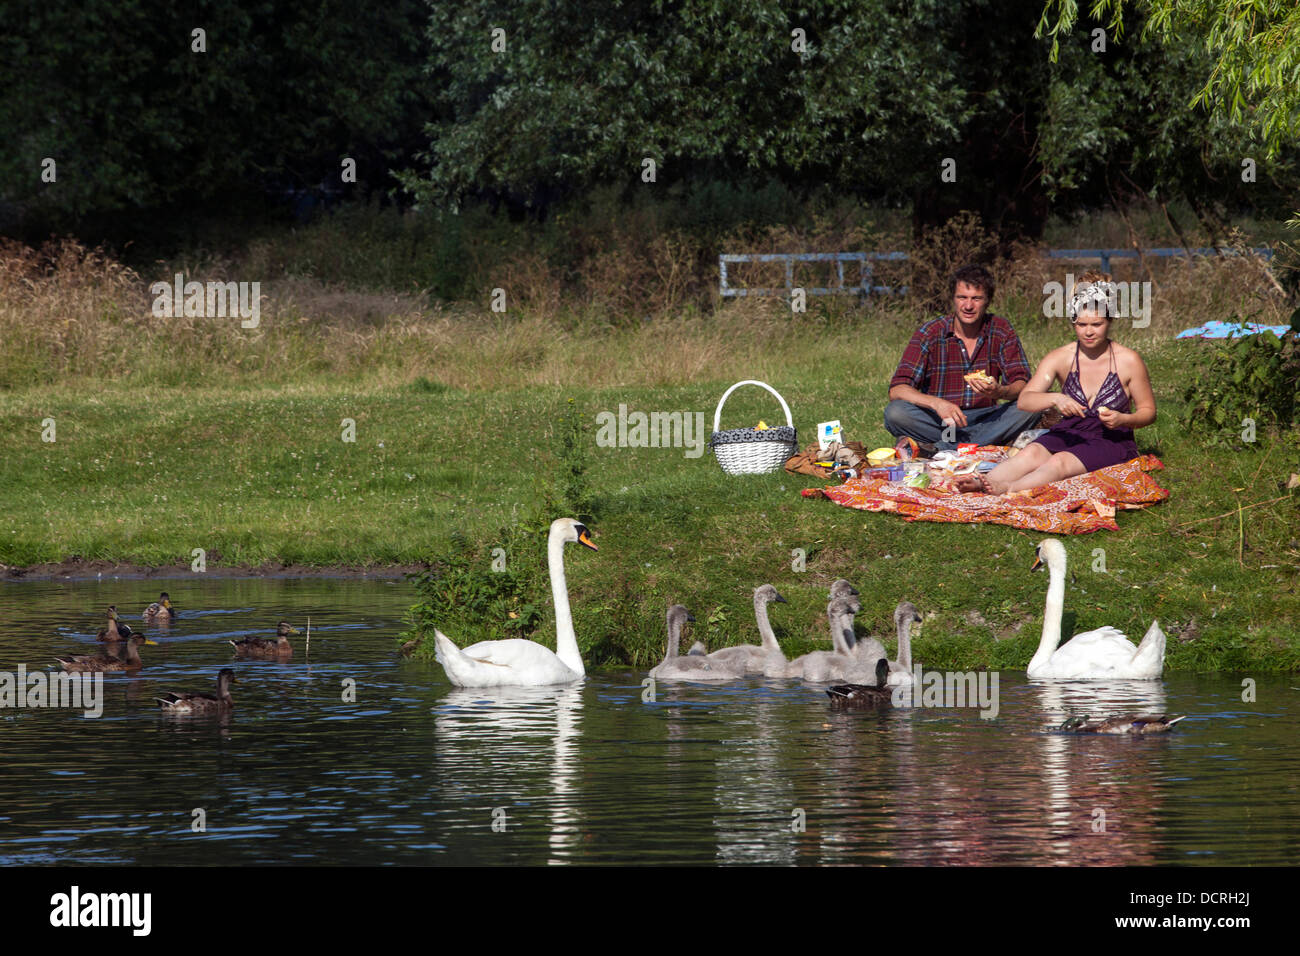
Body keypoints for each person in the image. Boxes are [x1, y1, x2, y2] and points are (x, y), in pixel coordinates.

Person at [955, 273, 1156, 494]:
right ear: (1073, 323)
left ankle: (1008, 488)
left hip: (1110, 438)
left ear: (1109, 322)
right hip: (1069, 431)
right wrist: (1055, 398)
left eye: (1096, 324)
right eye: (1081, 324)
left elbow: (1148, 411)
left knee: (1059, 462)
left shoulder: (1128, 360)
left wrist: (1124, 419)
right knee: (1031, 453)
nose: (1088, 331)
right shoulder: (1061, 357)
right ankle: (982, 481)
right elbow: (1025, 400)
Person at [884, 265, 1041, 449]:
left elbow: (1022, 383)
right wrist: (937, 404)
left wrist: (1000, 391)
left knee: (1033, 408)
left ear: (987, 301)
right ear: (953, 299)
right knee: (895, 413)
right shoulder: (930, 333)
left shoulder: (1001, 330)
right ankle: (976, 444)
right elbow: (898, 389)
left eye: (976, 299)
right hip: (941, 421)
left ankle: (942, 448)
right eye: (962, 298)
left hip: (987, 419)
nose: (968, 306)